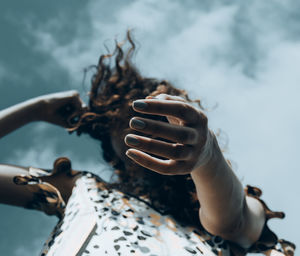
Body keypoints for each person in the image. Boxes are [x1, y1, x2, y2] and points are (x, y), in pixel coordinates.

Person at [0, 32, 295, 256]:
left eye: (162, 118)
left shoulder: (225, 195)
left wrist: (208, 158)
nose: (151, 132)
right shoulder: (79, 189)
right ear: (112, 143)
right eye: (131, 122)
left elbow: (233, 221)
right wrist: (33, 111)